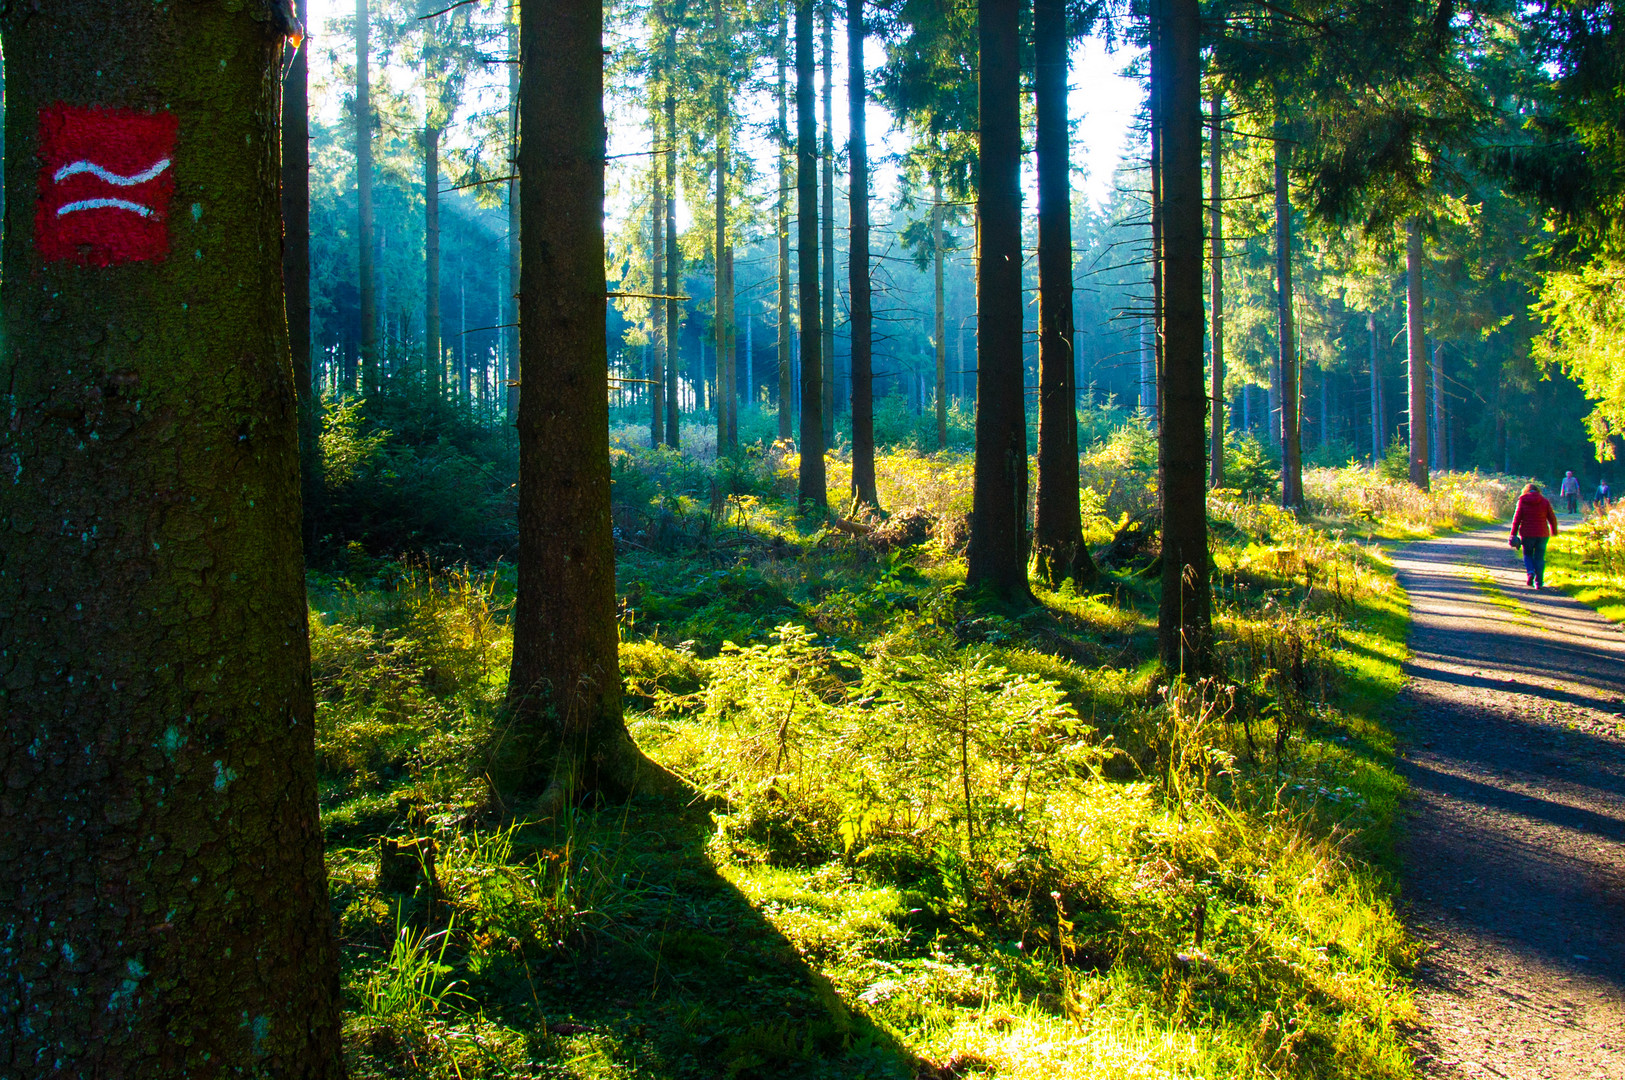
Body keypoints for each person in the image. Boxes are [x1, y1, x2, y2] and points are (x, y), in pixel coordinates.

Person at [1510, 482, 1559, 589]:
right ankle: (1539, 582)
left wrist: (1513, 534)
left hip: (1527, 534)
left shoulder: (1522, 501)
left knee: (1527, 554)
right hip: (1542, 534)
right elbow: (1552, 518)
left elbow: (1517, 519)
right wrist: (1554, 531)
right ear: (1537, 491)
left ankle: (1530, 572)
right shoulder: (1544, 501)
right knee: (1540, 557)